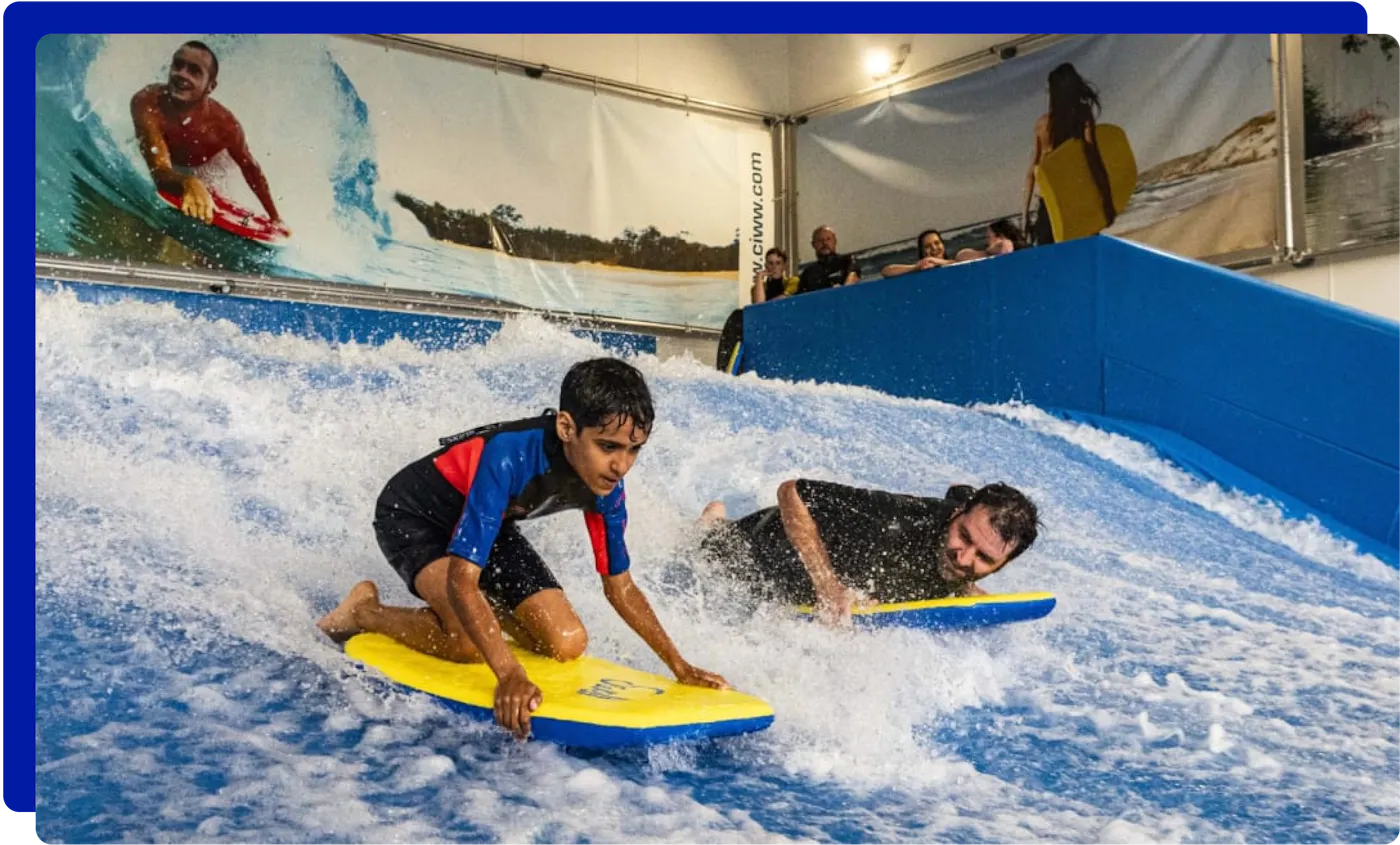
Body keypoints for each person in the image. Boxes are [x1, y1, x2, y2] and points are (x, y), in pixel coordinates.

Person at [317, 358, 728, 739]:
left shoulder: (607, 489)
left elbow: (620, 588)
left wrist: (679, 666)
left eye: (633, 449)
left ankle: (480, 612)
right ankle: (364, 611)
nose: (621, 465)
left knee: (566, 643)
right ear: (567, 428)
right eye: (607, 447)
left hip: (487, 526)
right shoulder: (509, 455)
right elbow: (463, 579)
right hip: (415, 516)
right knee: (467, 642)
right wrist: (509, 673)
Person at [698, 478, 1039, 625]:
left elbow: (958, 490)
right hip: (761, 546)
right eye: (964, 537)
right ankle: (713, 523)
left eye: (984, 559)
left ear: (1003, 563)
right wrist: (827, 585)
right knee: (706, 550)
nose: (964, 558)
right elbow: (792, 490)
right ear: (956, 514)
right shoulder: (895, 518)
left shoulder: (967, 517)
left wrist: (966, 585)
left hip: (817, 561)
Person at [130, 41, 287, 232]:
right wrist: (188, 182)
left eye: (194, 71)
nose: (182, 74)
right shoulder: (147, 102)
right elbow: (159, 171)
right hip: (172, 164)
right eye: (178, 65)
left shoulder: (225, 125)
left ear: (210, 86)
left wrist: (275, 217)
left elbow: (249, 167)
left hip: (209, 164)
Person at [1022, 62, 1115, 246]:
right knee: (1083, 255)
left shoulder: (1043, 124)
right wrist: (1106, 200)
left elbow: (1032, 171)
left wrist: (1024, 215)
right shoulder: (1081, 114)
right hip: (1075, 199)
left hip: (1049, 203)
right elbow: (1093, 161)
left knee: (1051, 261)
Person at [715, 246, 801, 372]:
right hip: (765, 324)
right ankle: (725, 366)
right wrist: (759, 278)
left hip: (784, 324)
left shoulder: (793, 281)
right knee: (737, 315)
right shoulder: (759, 287)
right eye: (770, 263)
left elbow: (781, 301)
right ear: (766, 265)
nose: (774, 267)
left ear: (784, 267)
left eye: (778, 263)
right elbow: (759, 307)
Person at [796, 225, 860, 294]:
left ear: (835, 241)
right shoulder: (807, 273)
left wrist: (842, 291)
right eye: (820, 240)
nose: (825, 243)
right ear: (813, 245)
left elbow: (853, 276)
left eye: (828, 239)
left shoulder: (848, 261)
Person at [880, 229, 957, 278]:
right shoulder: (918, 270)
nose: (934, 248)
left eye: (937, 243)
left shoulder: (957, 263)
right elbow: (886, 271)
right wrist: (916, 268)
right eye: (927, 246)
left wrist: (937, 262)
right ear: (922, 252)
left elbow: (960, 262)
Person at [953, 219, 1027, 262]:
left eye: (989, 237)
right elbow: (962, 256)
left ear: (1000, 236)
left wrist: (987, 252)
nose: (987, 241)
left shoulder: (1008, 247)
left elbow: (1006, 247)